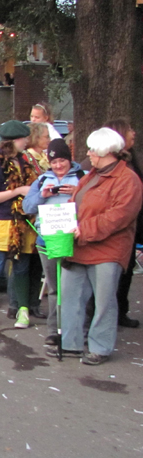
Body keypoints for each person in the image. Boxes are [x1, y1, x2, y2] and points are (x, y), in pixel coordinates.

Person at [59, 128, 142, 364]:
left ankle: (100, 347)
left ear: (107, 152)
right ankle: (71, 343)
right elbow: (77, 203)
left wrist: (84, 228)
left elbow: (119, 216)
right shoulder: (91, 175)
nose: (89, 154)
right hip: (79, 246)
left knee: (104, 302)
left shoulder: (128, 180)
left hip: (107, 249)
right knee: (71, 297)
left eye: (93, 149)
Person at [22, 138, 84, 346]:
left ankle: (77, 329)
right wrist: (43, 195)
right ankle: (54, 330)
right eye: (54, 162)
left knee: (76, 287)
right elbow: (28, 207)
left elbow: (93, 205)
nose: (58, 166)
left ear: (69, 159)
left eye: (62, 161)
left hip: (75, 241)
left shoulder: (82, 178)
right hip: (47, 241)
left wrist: (76, 195)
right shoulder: (41, 180)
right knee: (54, 287)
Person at [0, 120, 37, 329]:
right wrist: (18, 191)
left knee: (21, 268)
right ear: (14, 140)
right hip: (1, 221)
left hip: (22, 221)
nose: (27, 142)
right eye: (24, 138)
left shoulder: (25, 160)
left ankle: (23, 311)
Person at [105, 118, 143, 328]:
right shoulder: (117, 167)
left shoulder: (133, 160)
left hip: (133, 225)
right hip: (118, 227)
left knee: (126, 271)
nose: (134, 133)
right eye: (129, 131)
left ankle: (121, 309)